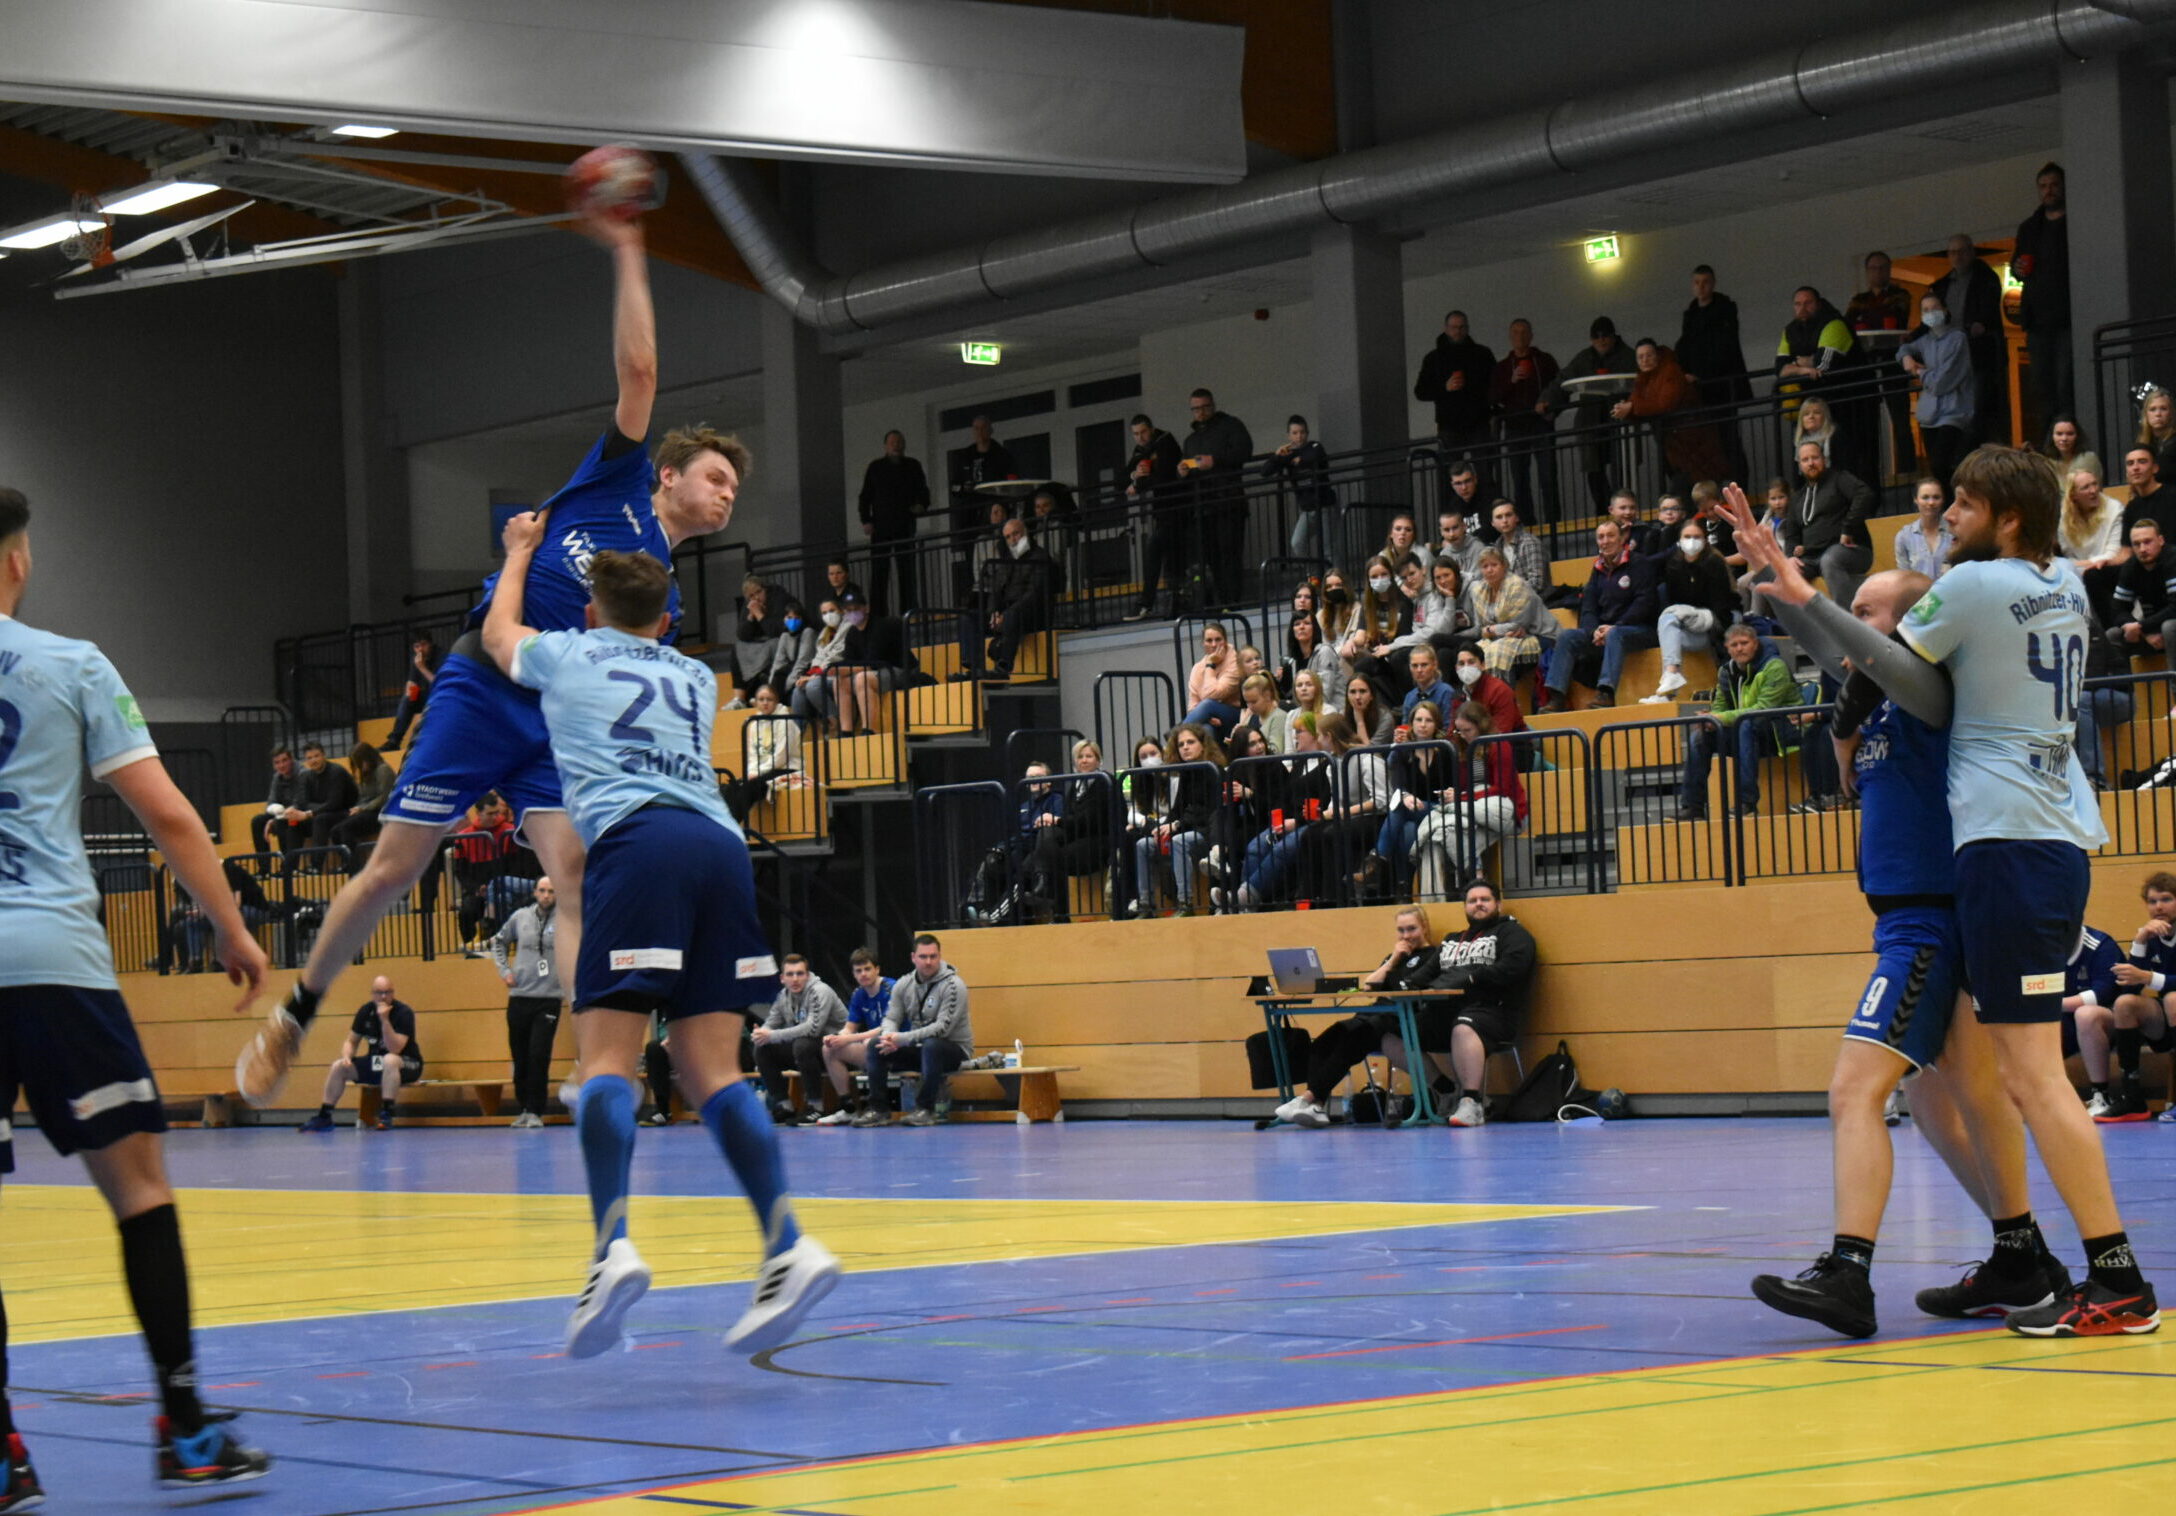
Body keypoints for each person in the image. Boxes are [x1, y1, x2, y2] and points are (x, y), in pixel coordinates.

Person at [235, 199, 742, 1110]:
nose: (728, 491)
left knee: (579, 872)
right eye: (717, 475)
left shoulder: (656, 578)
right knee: (396, 867)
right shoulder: (620, 478)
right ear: (669, 473)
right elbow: (640, 367)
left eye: (738, 485)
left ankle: (603, 1064)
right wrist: (629, 244)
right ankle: (299, 1005)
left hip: (555, 713)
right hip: (483, 681)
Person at [1721, 451, 2158, 1336]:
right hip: (2038, 835)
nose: (1945, 513)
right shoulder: (2062, 582)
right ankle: (2023, 1252)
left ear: (2004, 516)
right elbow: (1874, 670)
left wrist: (1807, 597)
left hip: (2000, 851)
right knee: (1959, 1085)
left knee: (2024, 1080)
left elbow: (1904, 676)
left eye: (1962, 502)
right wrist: (1797, 595)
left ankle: (2113, 1278)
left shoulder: (1965, 598)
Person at [482, 533, 839, 1361]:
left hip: (636, 847)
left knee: (606, 1063)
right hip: (719, 848)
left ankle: (611, 1252)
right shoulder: (692, 673)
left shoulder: (568, 654)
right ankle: (786, 1243)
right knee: (713, 1069)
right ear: (669, 619)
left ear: (588, 612)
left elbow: (500, 635)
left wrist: (518, 551)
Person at [0, 487, 273, 1498]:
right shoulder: (71, 663)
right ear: (19, 562)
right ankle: (189, 1429)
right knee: (140, 1191)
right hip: (56, 964)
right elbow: (169, 815)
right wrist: (233, 928)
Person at [1749, 568, 2058, 1338]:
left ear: (1916, 621)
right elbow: (1844, 652)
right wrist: (1773, 574)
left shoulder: (1931, 695)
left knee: (1855, 1089)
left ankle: (1848, 1272)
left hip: (1930, 919)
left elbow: (1871, 654)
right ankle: (2022, 1256)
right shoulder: (1874, 699)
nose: (1850, 626)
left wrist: (1804, 595)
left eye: (1866, 611)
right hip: (1906, 918)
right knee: (1943, 1096)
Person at [1272, 906, 1442, 1128]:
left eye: (1411, 929)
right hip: (1373, 1013)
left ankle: (1307, 1099)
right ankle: (1317, 1106)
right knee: (1326, 1040)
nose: (1406, 935)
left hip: (1398, 1017)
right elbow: (1369, 985)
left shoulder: (1432, 955)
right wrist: (1392, 961)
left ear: (1424, 927)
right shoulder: (1394, 958)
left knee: (1350, 1043)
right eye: (1401, 930)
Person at [1431, 880, 1540, 1127]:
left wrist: (1471, 977)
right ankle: (1447, 1090)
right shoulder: (1452, 940)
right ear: (1465, 907)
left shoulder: (1514, 934)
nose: (1478, 904)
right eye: (1472, 900)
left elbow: (1513, 968)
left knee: (1464, 1026)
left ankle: (1472, 1102)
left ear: (1498, 904)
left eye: (1485, 899)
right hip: (1449, 1009)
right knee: (1392, 1029)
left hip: (1495, 1012)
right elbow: (1428, 974)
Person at [1678, 623, 1800, 819]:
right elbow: (1719, 706)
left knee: (1746, 724)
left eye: (1744, 643)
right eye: (1734, 645)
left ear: (1755, 644)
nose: (1739, 648)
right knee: (1700, 737)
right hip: (1748, 733)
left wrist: (1720, 718)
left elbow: (1765, 708)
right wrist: (1711, 720)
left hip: (1781, 730)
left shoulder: (1775, 666)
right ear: (1727, 648)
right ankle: (1693, 807)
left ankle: (1747, 803)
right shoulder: (1726, 671)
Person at [1538, 519, 1657, 713]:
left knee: (1616, 634)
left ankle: (1606, 693)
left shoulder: (1639, 563)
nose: (1605, 541)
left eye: (1611, 536)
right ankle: (1557, 697)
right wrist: (1594, 630)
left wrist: (1615, 625)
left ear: (1622, 539)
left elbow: (1644, 603)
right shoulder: (1598, 568)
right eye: (1601, 537)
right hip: (1607, 631)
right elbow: (1588, 606)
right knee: (1568, 636)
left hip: (1640, 629)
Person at [856, 935, 973, 1127]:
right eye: (923, 956)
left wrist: (902, 1039)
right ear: (913, 957)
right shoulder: (904, 984)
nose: (928, 962)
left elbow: (942, 1028)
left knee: (932, 1045)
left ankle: (925, 1109)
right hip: (921, 1047)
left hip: (953, 1050)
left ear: (940, 956)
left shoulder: (954, 986)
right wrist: (888, 1037)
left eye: (933, 956)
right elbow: (892, 1017)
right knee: (874, 1045)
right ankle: (879, 1110)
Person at [1413, 706, 1525, 903]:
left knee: (1448, 827)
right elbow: (1463, 788)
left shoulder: (1499, 745)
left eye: (1468, 730)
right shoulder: (1461, 749)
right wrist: (1455, 794)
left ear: (1480, 726)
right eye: (1459, 731)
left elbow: (1503, 789)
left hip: (1502, 809)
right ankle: (1435, 899)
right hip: (1470, 809)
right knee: (1438, 836)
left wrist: (1462, 798)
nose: (1463, 736)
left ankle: (1477, 883)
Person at [297, 976, 422, 1133]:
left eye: (387, 992)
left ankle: (387, 1114)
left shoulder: (404, 1012)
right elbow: (351, 1041)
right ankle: (324, 1116)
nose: (383, 997)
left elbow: (395, 1049)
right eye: (379, 993)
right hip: (377, 1062)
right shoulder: (366, 1011)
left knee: (390, 1060)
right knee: (338, 1067)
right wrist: (347, 1056)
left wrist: (384, 1020)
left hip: (407, 1064)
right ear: (372, 994)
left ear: (392, 993)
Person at [1776, 286, 1874, 483]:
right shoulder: (1790, 330)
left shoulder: (1834, 324)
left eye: (1808, 303)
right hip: (1814, 404)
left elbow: (1822, 365)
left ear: (1818, 304)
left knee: (1852, 458)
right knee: (1812, 458)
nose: (1802, 308)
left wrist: (1795, 364)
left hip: (1849, 404)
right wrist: (1804, 368)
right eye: (1798, 304)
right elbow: (1779, 368)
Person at [2100, 872, 2176, 1123]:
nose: (2159, 907)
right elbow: (2130, 989)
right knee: (2125, 1005)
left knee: (2173, 999)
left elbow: (2145, 978)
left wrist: (2147, 976)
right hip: (2168, 1020)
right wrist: (2140, 941)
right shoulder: (2151, 936)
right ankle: (2132, 1097)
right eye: (2152, 901)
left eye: (2166, 899)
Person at [491, 876, 564, 1129]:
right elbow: (498, 942)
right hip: (520, 997)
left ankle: (536, 1110)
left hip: (549, 999)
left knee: (538, 1054)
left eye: (551, 891)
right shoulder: (520, 917)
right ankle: (523, 1108)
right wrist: (504, 971)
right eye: (542, 890)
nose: (546, 896)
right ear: (534, 892)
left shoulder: (567, 919)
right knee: (520, 1056)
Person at [1130, 724, 1224, 916]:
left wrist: (1177, 824)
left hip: (1207, 831)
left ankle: (1185, 903)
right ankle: (1146, 904)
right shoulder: (1186, 772)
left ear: (1203, 745)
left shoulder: (1214, 770)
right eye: (1181, 744)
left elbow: (1209, 810)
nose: (1185, 747)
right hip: (1186, 827)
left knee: (1178, 841)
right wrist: (1164, 826)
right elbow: (1177, 808)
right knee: (1142, 844)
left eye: (1190, 742)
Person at [1613, 339, 1729, 494]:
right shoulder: (1642, 379)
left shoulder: (1670, 371)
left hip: (1692, 438)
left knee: (1701, 485)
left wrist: (1632, 408)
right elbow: (1639, 403)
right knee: (1688, 486)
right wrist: (1627, 410)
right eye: (1640, 357)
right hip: (1674, 444)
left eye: (1649, 355)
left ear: (1657, 355)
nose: (1645, 360)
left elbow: (1664, 404)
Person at [1547, 317, 1634, 514]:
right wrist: (1547, 403)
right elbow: (1563, 380)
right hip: (1590, 421)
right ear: (1591, 340)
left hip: (1618, 420)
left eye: (1605, 336)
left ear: (1613, 337)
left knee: (1621, 468)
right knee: (1593, 469)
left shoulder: (1627, 356)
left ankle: (1622, 508)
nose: (1602, 341)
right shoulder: (1584, 358)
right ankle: (1603, 510)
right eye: (1597, 337)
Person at [1176, 388, 1254, 608]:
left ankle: (1232, 601)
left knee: (1229, 553)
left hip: (1229, 501)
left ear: (1213, 405)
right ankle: (1221, 602)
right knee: (1212, 557)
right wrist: (1182, 471)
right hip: (1204, 505)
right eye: (1196, 409)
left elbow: (1244, 451)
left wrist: (1215, 461)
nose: (1200, 412)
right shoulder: (1191, 440)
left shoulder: (1230, 425)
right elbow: (1188, 468)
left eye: (1204, 407)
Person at [1645, 518, 1736, 701]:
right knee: (1670, 629)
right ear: (1679, 539)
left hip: (1713, 624)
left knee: (1670, 616)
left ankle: (1669, 682)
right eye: (1687, 536)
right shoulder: (1673, 565)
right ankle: (1668, 687)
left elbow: (1723, 609)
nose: (1692, 541)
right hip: (1689, 626)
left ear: (1705, 539)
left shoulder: (1714, 563)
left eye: (1696, 536)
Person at [1781, 439, 1876, 613]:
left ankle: (1848, 625)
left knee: (1829, 560)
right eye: (1805, 459)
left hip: (1851, 550)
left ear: (1823, 459)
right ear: (1799, 465)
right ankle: (1802, 633)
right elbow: (1791, 534)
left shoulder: (1839, 479)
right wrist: (1789, 557)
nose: (1811, 463)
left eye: (1815, 458)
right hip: (1812, 557)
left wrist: (1848, 528)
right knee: (1786, 575)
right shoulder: (1798, 497)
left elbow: (1864, 494)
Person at [1845, 250, 1919, 475]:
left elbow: (1896, 315)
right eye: (1873, 268)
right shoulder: (1858, 300)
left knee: (1900, 421)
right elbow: (1849, 325)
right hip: (1866, 366)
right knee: (1867, 423)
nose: (1878, 272)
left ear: (1889, 270)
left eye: (1882, 267)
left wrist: (1868, 318)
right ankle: (1870, 471)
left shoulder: (1900, 295)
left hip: (1892, 364)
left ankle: (1907, 471)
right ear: (1867, 272)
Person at [1931, 235, 2008, 445]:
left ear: (1971, 252)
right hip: (1952, 359)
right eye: (1953, 252)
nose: (1958, 257)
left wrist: (1978, 325)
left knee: (1978, 409)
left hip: (1979, 356)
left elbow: (1986, 312)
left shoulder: (1986, 279)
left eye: (1962, 251)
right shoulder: (1943, 286)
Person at [754, 955, 848, 1125]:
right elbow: (771, 1022)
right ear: (782, 978)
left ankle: (816, 1108)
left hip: (838, 1051)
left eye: (799, 973)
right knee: (763, 1049)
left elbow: (812, 1029)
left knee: (803, 1044)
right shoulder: (783, 996)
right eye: (790, 974)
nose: (795, 979)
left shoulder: (820, 991)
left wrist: (772, 1035)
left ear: (807, 975)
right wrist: (761, 1034)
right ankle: (785, 1106)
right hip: (809, 1051)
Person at [1898, 290, 1976, 485]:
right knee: (1936, 468)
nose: (1930, 313)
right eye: (1925, 310)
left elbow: (1943, 381)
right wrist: (1906, 358)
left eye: (1934, 308)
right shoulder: (1926, 341)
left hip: (1953, 412)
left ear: (1944, 310)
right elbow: (1904, 349)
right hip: (1929, 414)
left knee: (1944, 464)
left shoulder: (1957, 339)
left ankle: (1952, 506)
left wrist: (1920, 373)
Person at [2013, 162, 2072, 422]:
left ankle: (2068, 436)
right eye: (2044, 186)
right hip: (2037, 319)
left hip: (2067, 317)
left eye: (2054, 185)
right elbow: (2018, 267)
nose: (2049, 191)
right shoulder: (2029, 228)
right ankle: (2050, 441)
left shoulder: (2075, 222)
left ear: (2064, 187)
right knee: (2041, 384)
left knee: (2066, 382)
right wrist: (2018, 268)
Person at [1490, 320, 1560, 521]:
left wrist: (1551, 410)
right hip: (1514, 427)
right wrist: (1510, 381)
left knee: (1548, 477)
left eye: (1523, 332)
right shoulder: (1502, 367)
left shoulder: (1544, 361)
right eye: (1515, 332)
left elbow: (1560, 388)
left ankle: (1553, 523)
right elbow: (1493, 398)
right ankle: (1528, 525)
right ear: (1510, 337)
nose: (1520, 336)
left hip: (1541, 424)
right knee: (1520, 479)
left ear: (1531, 335)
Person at [966, 516, 1051, 681]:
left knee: (1012, 615)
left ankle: (1004, 666)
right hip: (1007, 613)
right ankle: (973, 665)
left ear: (1025, 532)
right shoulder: (1006, 561)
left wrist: (1007, 613)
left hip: (1032, 613)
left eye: (1016, 534)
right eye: (1008, 537)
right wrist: (994, 613)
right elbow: (996, 592)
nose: (1013, 539)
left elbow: (1035, 592)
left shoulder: (1040, 556)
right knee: (968, 618)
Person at [814, 949, 894, 1125]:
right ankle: (848, 1108)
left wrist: (849, 1038)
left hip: (896, 1047)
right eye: (859, 971)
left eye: (867, 969)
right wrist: (835, 1037)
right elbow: (849, 1028)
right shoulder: (859, 994)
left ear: (877, 969)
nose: (863, 974)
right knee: (828, 1048)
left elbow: (887, 1028)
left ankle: (876, 1107)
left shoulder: (891, 988)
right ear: (853, 974)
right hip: (875, 1050)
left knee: (869, 1043)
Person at [1416, 310, 1497, 478]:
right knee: (1450, 475)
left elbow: (1495, 384)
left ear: (1467, 329)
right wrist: (1444, 387)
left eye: (1461, 327)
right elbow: (1420, 391)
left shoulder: (1482, 354)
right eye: (1454, 328)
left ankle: (1485, 503)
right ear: (1446, 329)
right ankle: (1453, 505)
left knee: (1484, 473)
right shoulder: (1433, 359)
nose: (1458, 331)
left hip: (1478, 421)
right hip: (1450, 425)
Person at [1122, 413, 1187, 622]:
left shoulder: (1165, 442)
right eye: (1136, 434)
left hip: (1179, 508)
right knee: (1167, 557)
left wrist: (1139, 482)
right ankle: (1164, 602)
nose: (1140, 438)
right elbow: (1124, 475)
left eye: (1143, 432)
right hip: (1162, 512)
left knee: (1160, 550)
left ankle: (1150, 603)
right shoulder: (1142, 450)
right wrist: (1135, 476)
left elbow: (1164, 476)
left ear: (1151, 429)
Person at [857, 428, 928, 614]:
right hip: (881, 527)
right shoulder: (876, 467)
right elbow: (865, 496)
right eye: (892, 442)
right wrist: (866, 520)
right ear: (885, 446)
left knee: (907, 572)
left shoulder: (913, 466)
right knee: (879, 572)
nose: (896, 445)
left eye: (898, 442)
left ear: (903, 445)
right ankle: (879, 615)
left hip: (904, 525)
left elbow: (923, 492)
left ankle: (908, 612)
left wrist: (921, 505)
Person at [721, 683, 804, 823]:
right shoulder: (753, 723)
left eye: (769, 699)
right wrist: (752, 772)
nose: (765, 703)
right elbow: (752, 755)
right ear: (756, 702)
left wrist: (757, 773)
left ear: (776, 701)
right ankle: (724, 825)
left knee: (750, 786)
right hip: (763, 770)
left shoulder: (785, 721)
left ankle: (732, 826)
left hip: (786, 768)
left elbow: (781, 757)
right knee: (730, 788)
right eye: (761, 699)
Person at [1468, 547, 1550, 684]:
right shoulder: (1478, 591)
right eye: (1485, 566)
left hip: (1534, 635)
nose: (1489, 570)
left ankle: (1502, 699)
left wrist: (1491, 630)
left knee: (1498, 650)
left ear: (1504, 565)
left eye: (1494, 565)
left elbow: (1518, 625)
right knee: (1472, 654)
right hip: (1499, 639)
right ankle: (1478, 701)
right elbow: (1480, 627)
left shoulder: (1517, 585)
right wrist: (1489, 631)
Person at [2066, 925, 2124, 1117]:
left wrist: (2046, 1004)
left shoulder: (2100, 945)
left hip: (2109, 1022)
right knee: (2029, 1024)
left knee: (2086, 1015)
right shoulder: (2039, 946)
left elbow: (2102, 993)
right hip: (2062, 1021)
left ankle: (2101, 1095)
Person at [1265, 414, 1337, 560]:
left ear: (1307, 433)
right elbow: (1265, 471)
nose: (1299, 436)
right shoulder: (1288, 454)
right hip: (1306, 509)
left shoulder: (1315, 446)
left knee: (1329, 548)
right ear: (1289, 436)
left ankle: (1336, 580)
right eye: (1295, 433)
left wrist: (1301, 460)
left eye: (1302, 432)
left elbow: (1317, 455)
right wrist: (1277, 456)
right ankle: (1312, 576)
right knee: (1297, 543)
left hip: (1324, 505)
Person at [2108, 518, 2176, 656]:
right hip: (2150, 629)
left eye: (2147, 542)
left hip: (2167, 625)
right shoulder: (2131, 567)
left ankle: (2172, 677)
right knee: (2113, 634)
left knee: (2169, 627)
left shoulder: (2172, 559)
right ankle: (2127, 678)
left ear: (2161, 540)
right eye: (2136, 544)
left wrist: (2141, 627)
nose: (2142, 549)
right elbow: (2117, 608)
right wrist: (2134, 628)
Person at [950, 414, 1018, 536]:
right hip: (970, 513)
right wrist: (965, 489)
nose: (980, 432)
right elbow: (954, 486)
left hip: (994, 510)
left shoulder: (1002, 455)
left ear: (990, 431)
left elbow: (1012, 483)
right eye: (976, 428)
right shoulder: (964, 456)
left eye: (983, 428)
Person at [331, 741, 395, 852]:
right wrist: (357, 808)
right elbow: (362, 797)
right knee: (335, 831)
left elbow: (385, 797)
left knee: (346, 828)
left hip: (381, 812)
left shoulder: (383, 770)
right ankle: (347, 861)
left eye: (359, 762)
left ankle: (353, 866)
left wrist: (362, 808)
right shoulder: (365, 774)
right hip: (367, 811)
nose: (358, 766)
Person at [1182, 622, 1244, 732]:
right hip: (1210, 718)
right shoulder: (1197, 668)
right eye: (1209, 640)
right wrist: (1207, 718)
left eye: (1218, 639)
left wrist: (1210, 665)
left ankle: (1175, 738)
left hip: (1235, 715)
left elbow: (1212, 694)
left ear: (1225, 641)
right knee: (1207, 729)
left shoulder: (1235, 661)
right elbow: (1192, 707)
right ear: (1203, 643)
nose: (1214, 644)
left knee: (1208, 705)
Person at [1891, 478, 1955, 584]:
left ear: (1943, 500)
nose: (1931, 502)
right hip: (1919, 597)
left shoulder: (1955, 532)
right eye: (1925, 497)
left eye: (1936, 497)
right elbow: (1904, 577)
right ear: (1916, 499)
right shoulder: (1904, 536)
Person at [385, 634, 438, 750]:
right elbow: (411, 681)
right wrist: (410, 693)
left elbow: (440, 684)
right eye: (417, 646)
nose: (420, 649)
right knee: (407, 699)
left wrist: (422, 668)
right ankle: (394, 740)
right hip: (426, 697)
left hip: (441, 696)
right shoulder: (416, 659)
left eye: (424, 645)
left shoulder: (440, 657)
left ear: (431, 645)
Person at [1489, 499, 1551, 595]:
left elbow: (1537, 583)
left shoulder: (1530, 543)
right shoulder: (1496, 548)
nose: (1504, 520)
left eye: (1508, 515)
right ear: (1492, 523)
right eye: (1499, 517)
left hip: (1535, 602)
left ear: (1517, 518)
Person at [248, 746, 302, 854]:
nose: (281, 765)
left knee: (282, 821)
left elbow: (300, 803)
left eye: (284, 761)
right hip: (281, 812)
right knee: (258, 821)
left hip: (299, 814)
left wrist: (275, 819)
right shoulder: (277, 777)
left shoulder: (303, 774)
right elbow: (271, 802)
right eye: (277, 762)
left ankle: (287, 865)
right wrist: (274, 813)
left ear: (291, 760)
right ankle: (264, 867)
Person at [2042, 415, 2101, 492]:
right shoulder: (2048, 463)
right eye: (2059, 434)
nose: (2064, 438)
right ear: (2052, 437)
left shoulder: (2088, 459)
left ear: (2077, 436)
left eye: (2070, 434)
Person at [2118, 446, 2167, 538]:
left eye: (2142, 462)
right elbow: (2126, 547)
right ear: (2126, 472)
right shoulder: (2131, 508)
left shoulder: (2172, 497)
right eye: (2130, 463)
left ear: (2155, 468)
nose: (2135, 467)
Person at [2138, 388, 2176, 482]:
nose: (2158, 414)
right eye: (2152, 409)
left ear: (2171, 413)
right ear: (2146, 414)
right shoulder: (2141, 444)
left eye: (2163, 409)